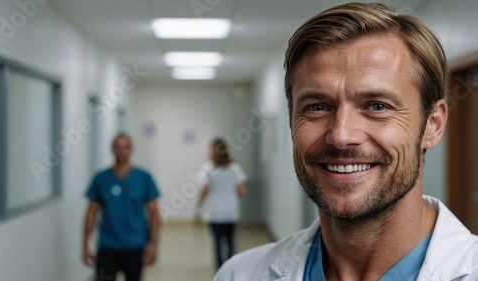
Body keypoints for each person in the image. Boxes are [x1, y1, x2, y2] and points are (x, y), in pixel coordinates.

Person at [214, 2, 478, 281]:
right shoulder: (239, 274)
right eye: (317, 107)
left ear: (432, 125)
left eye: (377, 106)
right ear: (292, 122)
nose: (341, 136)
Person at [82, 133, 160, 281]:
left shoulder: (144, 177)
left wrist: (153, 244)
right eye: (118, 147)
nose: (122, 151)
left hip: (135, 245)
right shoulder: (101, 178)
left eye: (126, 147)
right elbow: (91, 213)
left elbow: (154, 214)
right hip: (107, 246)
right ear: (112, 150)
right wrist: (85, 244)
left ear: (131, 150)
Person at [199, 138, 248, 269]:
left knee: (218, 242)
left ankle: (220, 271)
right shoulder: (235, 168)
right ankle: (231, 269)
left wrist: (199, 203)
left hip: (215, 213)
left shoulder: (208, 168)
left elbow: (205, 190)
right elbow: (242, 191)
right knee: (231, 242)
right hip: (231, 212)